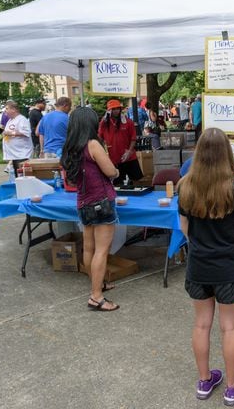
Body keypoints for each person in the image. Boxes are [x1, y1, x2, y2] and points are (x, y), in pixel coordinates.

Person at [177, 127, 234, 405]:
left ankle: (204, 380)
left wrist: (201, 246)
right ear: (226, 154)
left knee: (201, 325)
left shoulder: (185, 185)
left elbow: (185, 229)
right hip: (228, 267)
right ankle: (233, 387)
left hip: (198, 266)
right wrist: (231, 252)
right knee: (229, 327)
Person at [61, 107, 120, 312]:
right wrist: (116, 170)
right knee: (102, 251)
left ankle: (97, 284)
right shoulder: (93, 144)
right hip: (102, 203)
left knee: (89, 248)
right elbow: (110, 171)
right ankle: (96, 296)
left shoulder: (70, 147)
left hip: (83, 201)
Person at [99, 99, 143, 187]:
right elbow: (100, 138)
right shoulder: (104, 123)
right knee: (118, 184)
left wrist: (129, 151)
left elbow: (133, 139)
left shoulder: (128, 122)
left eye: (118, 108)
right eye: (113, 109)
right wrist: (103, 153)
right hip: (114, 158)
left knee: (137, 181)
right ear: (109, 111)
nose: (116, 111)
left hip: (130, 157)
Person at [1, 100, 33, 172]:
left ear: (13, 109)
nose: (5, 111)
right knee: (17, 176)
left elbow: (26, 132)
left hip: (22, 155)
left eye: (7, 109)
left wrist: (11, 133)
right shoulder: (10, 120)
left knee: (22, 175)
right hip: (14, 155)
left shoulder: (22, 119)